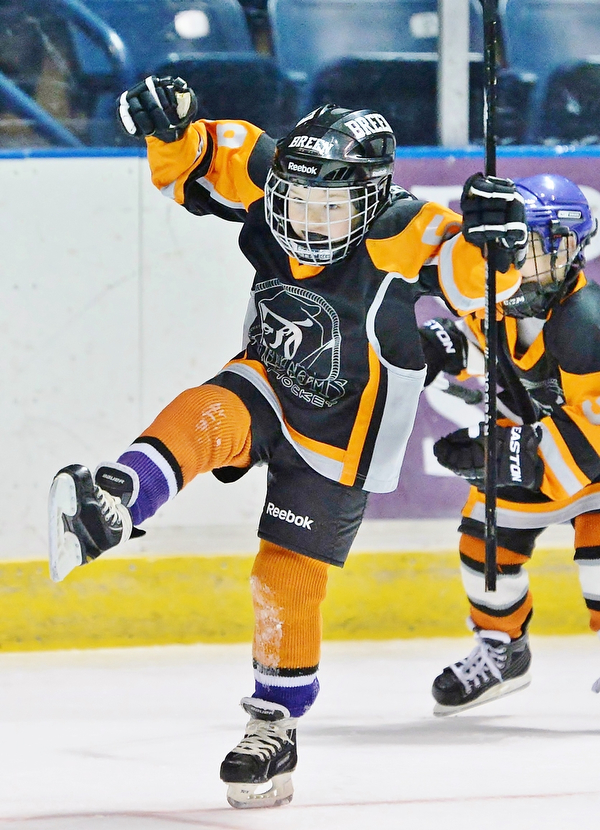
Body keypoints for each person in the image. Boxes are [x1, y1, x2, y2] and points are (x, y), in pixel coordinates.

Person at [48, 75, 526, 808]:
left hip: (346, 435)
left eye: (331, 205)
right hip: (273, 376)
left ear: (370, 197)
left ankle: (273, 726)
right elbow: (199, 158)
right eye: (295, 199)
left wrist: (498, 240)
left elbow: (474, 278)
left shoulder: (404, 226)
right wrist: (170, 127)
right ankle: (122, 495)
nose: (307, 217)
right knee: (212, 409)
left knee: (284, 580)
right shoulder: (269, 173)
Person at [419, 174, 600, 716]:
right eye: (510, 245)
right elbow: (486, 349)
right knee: (483, 547)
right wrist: (439, 348)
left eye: (530, 246)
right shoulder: (491, 298)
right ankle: (502, 650)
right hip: (535, 454)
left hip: (592, 470)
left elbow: (592, 437)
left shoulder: (586, 324)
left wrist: (503, 455)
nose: (516, 259)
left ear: (569, 249)